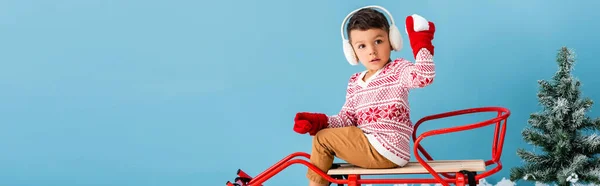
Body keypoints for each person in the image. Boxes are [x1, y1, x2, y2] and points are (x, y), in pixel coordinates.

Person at [292, 5, 437, 186]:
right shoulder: (355, 82)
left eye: (378, 41)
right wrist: (320, 121)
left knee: (322, 140)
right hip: (370, 145)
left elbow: (424, 76)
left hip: (387, 147)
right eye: (362, 46)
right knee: (323, 134)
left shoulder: (398, 69)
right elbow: (347, 118)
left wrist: (421, 41)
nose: (372, 51)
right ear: (352, 52)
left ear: (392, 41)